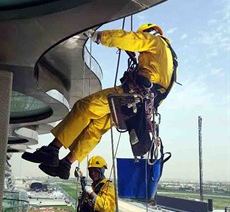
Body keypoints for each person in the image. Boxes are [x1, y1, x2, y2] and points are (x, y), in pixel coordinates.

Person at [22, 23, 176, 179]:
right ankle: (66, 163)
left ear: (150, 32)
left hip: (130, 95)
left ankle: (52, 150)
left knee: (85, 107)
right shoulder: (169, 61)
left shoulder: (156, 42)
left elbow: (131, 39)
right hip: (136, 106)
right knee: (95, 129)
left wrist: (99, 36)